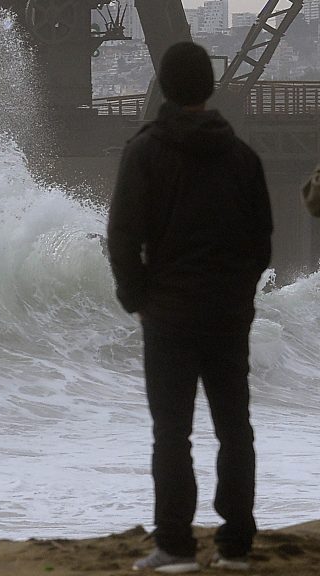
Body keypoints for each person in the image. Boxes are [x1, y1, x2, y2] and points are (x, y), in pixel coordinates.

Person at [106, 41, 273, 573]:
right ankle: (236, 548)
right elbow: (262, 240)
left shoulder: (144, 151)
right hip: (227, 313)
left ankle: (176, 547)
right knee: (235, 428)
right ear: (210, 86)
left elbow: (122, 237)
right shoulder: (243, 156)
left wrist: (139, 300)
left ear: (165, 87)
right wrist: (239, 296)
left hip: (170, 313)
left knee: (172, 433)